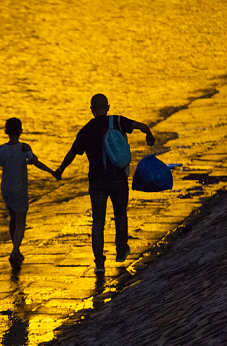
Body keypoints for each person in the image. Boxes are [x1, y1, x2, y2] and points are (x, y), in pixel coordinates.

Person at [55, 94, 155, 275]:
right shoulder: (117, 121)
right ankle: (121, 250)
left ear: (91, 109)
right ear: (107, 107)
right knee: (120, 214)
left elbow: (72, 153)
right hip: (118, 178)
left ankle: (99, 263)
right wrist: (149, 135)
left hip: (96, 182)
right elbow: (141, 126)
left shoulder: (86, 130)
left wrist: (60, 170)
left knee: (98, 222)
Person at [0, 118, 56, 269]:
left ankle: (17, 250)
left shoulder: (1, 149)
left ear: (6, 132)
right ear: (21, 131)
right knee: (21, 221)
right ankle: (14, 252)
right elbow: (35, 162)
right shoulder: (23, 147)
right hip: (19, 188)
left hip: (6, 188)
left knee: (12, 219)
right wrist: (52, 172)